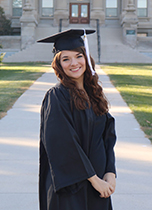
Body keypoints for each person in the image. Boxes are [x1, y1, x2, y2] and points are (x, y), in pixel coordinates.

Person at [38, 29, 117, 210]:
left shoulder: (94, 94)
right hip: (71, 187)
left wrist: (110, 172)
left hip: (99, 186)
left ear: (86, 58)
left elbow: (108, 135)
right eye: (66, 59)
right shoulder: (57, 96)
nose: (74, 63)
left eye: (78, 56)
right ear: (58, 65)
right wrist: (94, 180)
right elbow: (63, 144)